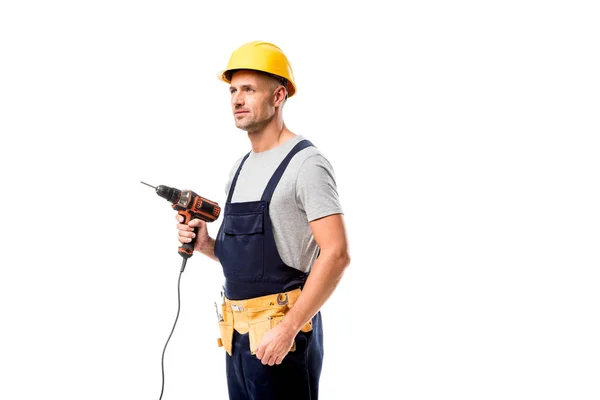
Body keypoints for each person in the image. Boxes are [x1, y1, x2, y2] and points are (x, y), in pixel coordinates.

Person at [176, 40, 350, 400]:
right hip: (238, 338)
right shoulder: (239, 168)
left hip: (282, 338)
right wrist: (207, 245)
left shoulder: (307, 164)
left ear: (278, 96)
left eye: (249, 90)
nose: (237, 100)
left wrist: (288, 329)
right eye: (233, 90)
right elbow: (247, 260)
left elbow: (336, 254)